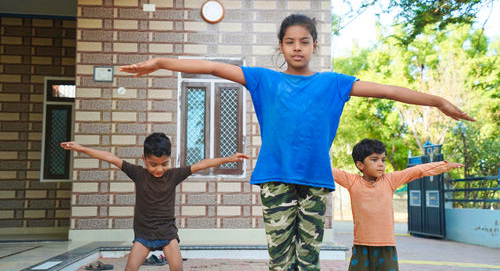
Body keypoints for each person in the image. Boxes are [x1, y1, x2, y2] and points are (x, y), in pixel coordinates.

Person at [120, 14, 474, 271]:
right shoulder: (263, 80)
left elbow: (388, 91)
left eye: (304, 41)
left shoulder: (333, 84)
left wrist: (437, 101)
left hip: (316, 183)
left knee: (308, 259)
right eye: (290, 41)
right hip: (275, 181)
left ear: (315, 45)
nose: (297, 47)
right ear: (281, 46)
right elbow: (212, 67)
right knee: (279, 260)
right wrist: (162, 62)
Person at [60, 132, 248, 271]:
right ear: (144, 159)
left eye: (164, 164)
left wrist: (228, 159)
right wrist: (82, 148)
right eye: (153, 164)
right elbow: (110, 157)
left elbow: (202, 164)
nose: (159, 169)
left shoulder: (174, 175)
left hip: (167, 233)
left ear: (169, 160)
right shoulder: (137, 174)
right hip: (144, 235)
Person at [333, 138, 464, 271]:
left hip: (386, 247)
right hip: (361, 246)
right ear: (360, 165)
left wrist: (445, 165)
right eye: (374, 159)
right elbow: (329, 170)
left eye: (383, 160)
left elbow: (418, 170)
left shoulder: (390, 180)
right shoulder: (352, 182)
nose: (381, 164)